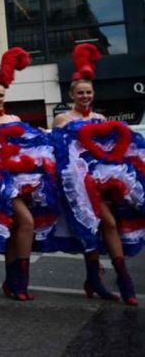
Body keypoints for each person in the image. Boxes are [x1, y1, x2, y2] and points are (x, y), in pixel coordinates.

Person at [52, 44, 137, 306]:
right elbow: (58, 152)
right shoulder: (62, 119)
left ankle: (98, 279)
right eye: (80, 92)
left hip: (102, 181)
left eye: (88, 92)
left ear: (93, 93)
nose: (85, 96)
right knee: (100, 224)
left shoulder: (100, 118)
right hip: (77, 184)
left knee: (102, 225)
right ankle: (120, 281)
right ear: (71, 94)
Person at [0, 47, 55, 302]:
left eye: (0, 95)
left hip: (22, 181)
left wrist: (41, 136)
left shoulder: (14, 118)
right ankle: (21, 282)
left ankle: (12, 280)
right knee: (26, 222)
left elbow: (26, 147)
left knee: (17, 228)